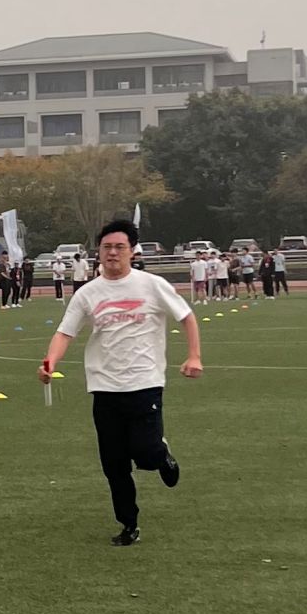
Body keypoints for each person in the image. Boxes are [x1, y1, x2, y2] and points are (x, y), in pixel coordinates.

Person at [37, 219, 201, 548]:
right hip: (104, 386)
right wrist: (50, 361)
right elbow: (65, 332)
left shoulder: (151, 285)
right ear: (99, 251)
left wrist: (194, 356)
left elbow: (186, 317)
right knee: (114, 465)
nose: (112, 253)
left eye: (119, 247)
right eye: (107, 247)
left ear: (132, 251)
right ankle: (129, 524)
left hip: (144, 382)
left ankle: (162, 455)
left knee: (146, 452)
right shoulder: (88, 293)